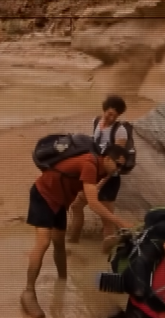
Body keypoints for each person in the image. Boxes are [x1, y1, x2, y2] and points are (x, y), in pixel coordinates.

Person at [22, 144, 134, 318]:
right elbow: (94, 203)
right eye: (118, 165)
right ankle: (28, 292)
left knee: (59, 243)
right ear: (107, 158)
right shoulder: (90, 164)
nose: (119, 170)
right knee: (43, 242)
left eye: (122, 167)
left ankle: (62, 281)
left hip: (59, 202)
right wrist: (120, 222)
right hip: (43, 195)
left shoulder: (103, 171)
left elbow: (84, 190)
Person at [68, 95, 129, 244]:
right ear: (104, 109)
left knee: (106, 219)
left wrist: (100, 184)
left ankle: (110, 254)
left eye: (114, 115)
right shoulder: (96, 121)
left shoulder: (120, 131)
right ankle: (73, 241)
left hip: (109, 178)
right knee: (76, 206)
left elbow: (114, 162)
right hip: (93, 173)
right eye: (109, 113)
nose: (110, 117)